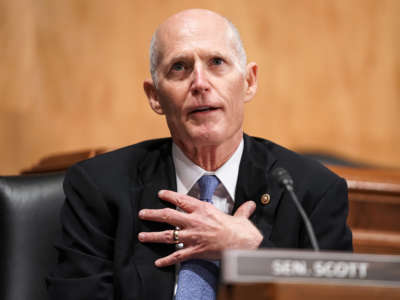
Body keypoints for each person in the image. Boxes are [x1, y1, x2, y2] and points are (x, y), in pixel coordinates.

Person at [47, 9, 352, 300]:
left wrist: (254, 251)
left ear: (249, 81)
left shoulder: (312, 192)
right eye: (179, 67)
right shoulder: (99, 187)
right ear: (155, 97)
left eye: (217, 62)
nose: (200, 83)